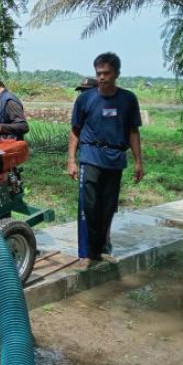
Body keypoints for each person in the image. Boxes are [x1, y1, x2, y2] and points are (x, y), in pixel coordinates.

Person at [68, 52, 144, 264]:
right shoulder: (85, 99)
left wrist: (139, 161)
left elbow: (133, 132)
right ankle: (91, 252)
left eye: (106, 73)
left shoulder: (128, 99)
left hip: (115, 159)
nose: (101, 77)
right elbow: (75, 130)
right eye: (98, 73)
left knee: (108, 206)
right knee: (90, 206)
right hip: (90, 156)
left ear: (117, 73)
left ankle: (102, 248)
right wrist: (71, 161)